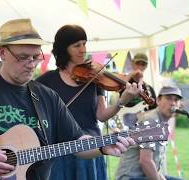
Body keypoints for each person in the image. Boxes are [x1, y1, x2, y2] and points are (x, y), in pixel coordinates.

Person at [0, 19, 138, 180]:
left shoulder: (46, 96)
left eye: (36, 57)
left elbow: (76, 141)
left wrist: (102, 146)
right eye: (23, 57)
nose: (31, 64)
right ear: (2, 53)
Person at [36, 24, 140, 180]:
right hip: (59, 150)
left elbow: (102, 115)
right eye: (76, 45)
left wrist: (121, 101)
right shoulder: (46, 80)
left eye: (84, 43)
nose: (83, 49)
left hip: (91, 146)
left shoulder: (94, 78)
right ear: (64, 48)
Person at [115, 86, 184, 180]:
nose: (173, 103)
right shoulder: (151, 120)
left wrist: (161, 177)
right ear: (158, 100)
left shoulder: (161, 121)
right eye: (168, 98)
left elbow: (154, 162)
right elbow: (145, 162)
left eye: (176, 100)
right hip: (131, 177)